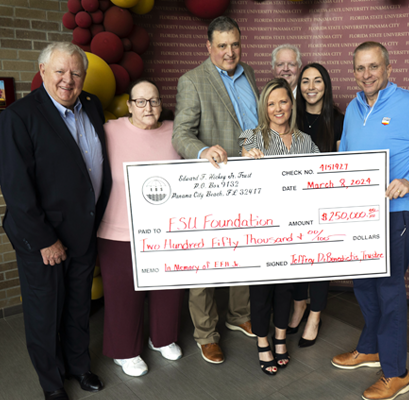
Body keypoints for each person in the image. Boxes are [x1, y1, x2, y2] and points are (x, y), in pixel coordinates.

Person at [331, 41, 409, 400]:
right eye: (359, 68)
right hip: (358, 214)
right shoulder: (353, 109)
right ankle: (370, 347)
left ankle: (396, 372)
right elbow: (345, 155)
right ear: (353, 71)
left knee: (388, 290)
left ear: (387, 68)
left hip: (395, 213)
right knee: (363, 285)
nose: (366, 75)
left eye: (373, 67)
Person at [0, 42, 112, 400]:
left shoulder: (92, 106)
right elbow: (17, 190)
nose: (68, 79)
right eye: (60, 71)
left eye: (76, 72)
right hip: (43, 239)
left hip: (83, 230)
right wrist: (44, 240)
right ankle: (52, 382)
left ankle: (79, 366)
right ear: (43, 71)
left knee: (78, 307)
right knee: (45, 313)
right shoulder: (19, 116)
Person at [172, 15, 258, 364]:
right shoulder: (192, 81)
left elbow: (254, 123)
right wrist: (203, 151)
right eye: (221, 45)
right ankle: (207, 334)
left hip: (250, 182)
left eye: (235, 44)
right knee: (204, 262)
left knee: (244, 251)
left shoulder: (249, 73)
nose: (229, 51)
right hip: (211, 183)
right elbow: (180, 133)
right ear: (208, 47)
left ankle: (239, 315)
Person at [97, 79, 184, 377]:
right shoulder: (110, 131)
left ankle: (163, 338)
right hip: (118, 229)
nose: (149, 107)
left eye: (155, 101)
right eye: (141, 101)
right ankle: (124, 351)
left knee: (167, 289)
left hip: (165, 230)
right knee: (123, 293)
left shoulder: (176, 131)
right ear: (130, 105)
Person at [240, 77, 320, 375]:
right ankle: (263, 343)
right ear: (264, 107)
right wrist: (247, 161)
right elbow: (240, 179)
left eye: (283, 101)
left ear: (291, 104)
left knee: (286, 288)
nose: (278, 108)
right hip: (261, 229)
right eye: (271, 103)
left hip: (293, 229)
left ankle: (281, 338)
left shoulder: (304, 141)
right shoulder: (251, 137)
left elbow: (319, 179)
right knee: (261, 291)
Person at [288, 63, 344, 347]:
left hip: (324, 202)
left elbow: (343, 163)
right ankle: (299, 305)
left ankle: (315, 315)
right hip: (293, 201)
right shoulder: (290, 117)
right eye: (306, 81)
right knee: (298, 258)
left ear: (326, 86)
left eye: (317, 81)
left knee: (321, 262)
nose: (311, 87)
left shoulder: (337, 120)